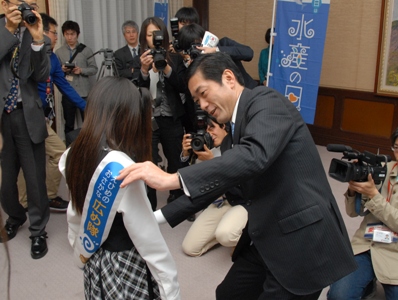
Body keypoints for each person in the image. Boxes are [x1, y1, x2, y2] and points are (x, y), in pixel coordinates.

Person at [117, 52, 358, 299]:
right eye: (195, 99)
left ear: (229, 78)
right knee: (228, 294)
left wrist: (172, 179)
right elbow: (225, 182)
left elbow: (255, 156)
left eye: (203, 93)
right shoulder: (233, 131)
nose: (201, 105)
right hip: (267, 234)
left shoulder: (267, 102)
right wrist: (153, 217)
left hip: (302, 240)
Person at [59, 76, 180, 300]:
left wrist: (76, 242)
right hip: (122, 266)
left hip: (95, 260)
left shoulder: (74, 151)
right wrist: (171, 289)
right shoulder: (121, 169)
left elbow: (75, 209)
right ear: (129, 116)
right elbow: (147, 238)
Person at [18, 13, 86, 212]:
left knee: (43, 156)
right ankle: (35, 200)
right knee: (52, 154)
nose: (57, 37)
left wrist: (86, 106)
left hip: (42, 118)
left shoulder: (53, 58)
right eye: (54, 33)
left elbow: (64, 86)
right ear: (41, 32)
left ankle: (35, 199)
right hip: (26, 116)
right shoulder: (27, 54)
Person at [0, 0, 50, 260]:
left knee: (34, 180)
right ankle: (16, 215)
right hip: (3, 119)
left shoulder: (36, 30)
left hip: (27, 114)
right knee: (6, 183)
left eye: (30, 3)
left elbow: (41, 75)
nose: (25, 8)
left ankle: (38, 230)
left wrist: (38, 41)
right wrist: (9, 28)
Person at [327, 126, 398, 299]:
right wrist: (354, 191)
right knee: (338, 296)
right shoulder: (384, 168)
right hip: (368, 243)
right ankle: (367, 285)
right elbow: (352, 213)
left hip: (396, 253)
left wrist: (374, 195)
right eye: (397, 147)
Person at [137, 17, 187, 211]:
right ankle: (149, 206)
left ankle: (177, 200)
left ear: (163, 36)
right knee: (148, 161)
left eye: (156, 34)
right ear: (145, 37)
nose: (153, 38)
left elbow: (183, 87)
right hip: (148, 120)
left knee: (175, 159)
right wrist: (143, 70)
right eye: (149, 35)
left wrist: (167, 68)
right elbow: (136, 93)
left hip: (171, 118)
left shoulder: (174, 58)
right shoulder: (139, 59)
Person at [181, 116, 248, 257]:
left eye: (212, 128)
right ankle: (228, 226)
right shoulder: (209, 148)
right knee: (190, 248)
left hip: (243, 201)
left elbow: (242, 188)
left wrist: (212, 162)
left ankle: (248, 239)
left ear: (224, 127)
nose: (208, 133)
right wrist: (186, 155)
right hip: (220, 202)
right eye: (206, 129)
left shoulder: (240, 148)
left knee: (226, 235)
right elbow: (189, 181)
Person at [177, 23, 258, 89]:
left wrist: (216, 50)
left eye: (197, 44)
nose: (196, 49)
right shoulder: (189, 62)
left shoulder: (224, 44)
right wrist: (190, 67)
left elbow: (248, 53)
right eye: (190, 47)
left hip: (246, 90)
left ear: (203, 38)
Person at [55, 20, 98, 136]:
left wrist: (81, 70)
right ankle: (68, 149)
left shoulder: (86, 50)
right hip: (68, 92)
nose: (70, 37)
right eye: (67, 34)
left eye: (72, 34)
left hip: (84, 92)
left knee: (89, 123)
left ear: (77, 34)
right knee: (68, 124)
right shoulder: (59, 52)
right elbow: (54, 72)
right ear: (63, 34)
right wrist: (61, 69)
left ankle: (89, 147)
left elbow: (94, 69)